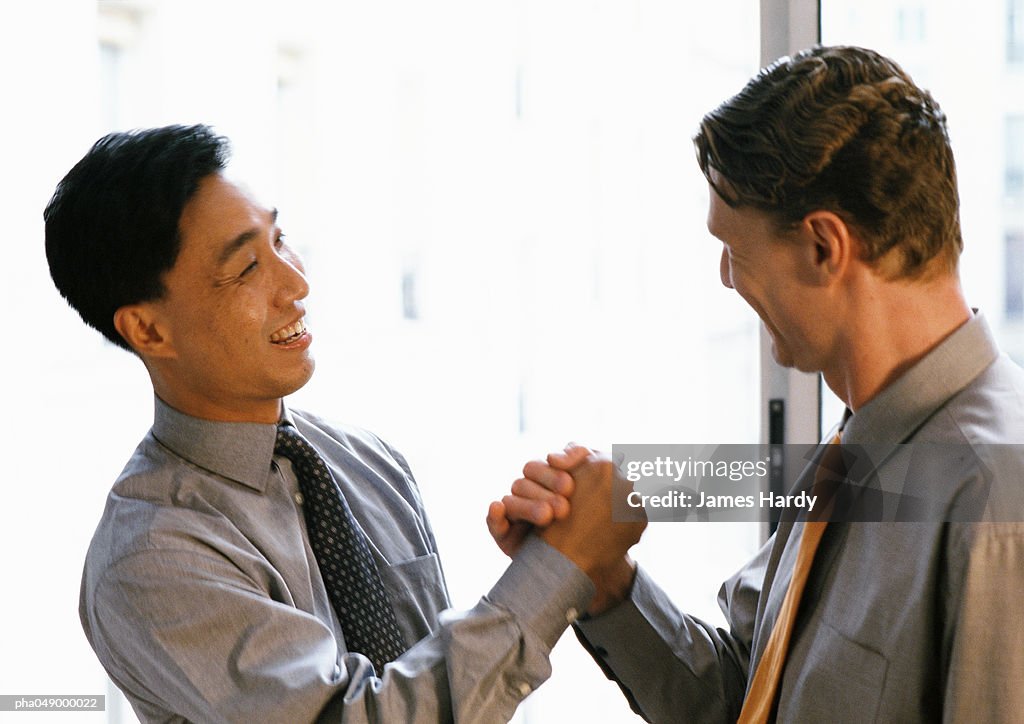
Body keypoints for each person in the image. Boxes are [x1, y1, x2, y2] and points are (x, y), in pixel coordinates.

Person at [488, 45, 1024, 722]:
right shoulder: (856, 454)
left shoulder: (997, 498)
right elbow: (745, 699)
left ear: (823, 247)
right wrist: (604, 581)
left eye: (736, 250)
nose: (726, 276)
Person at [45, 124, 645, 723]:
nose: (296, 284)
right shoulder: (152, 554)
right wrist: (557, 570)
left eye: (281, 241)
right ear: (148, 329)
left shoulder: (368, 461)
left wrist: (577, 558)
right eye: (248, 266)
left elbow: (438, 681)